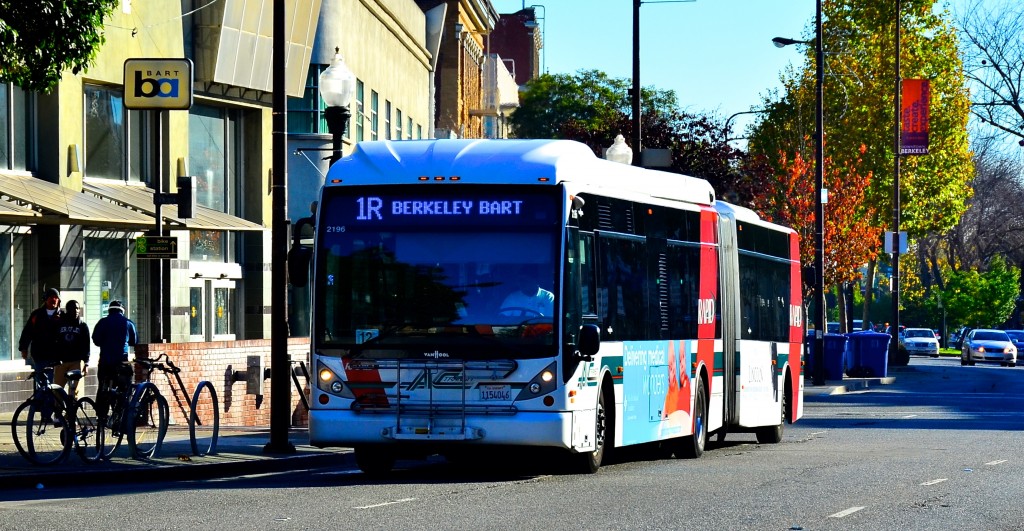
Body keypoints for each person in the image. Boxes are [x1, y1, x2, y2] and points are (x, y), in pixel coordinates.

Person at [92, 300, 138, 417]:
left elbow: (96, 340)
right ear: (122, 310)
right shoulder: (128, 323)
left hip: (105, 362)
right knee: (123, 389)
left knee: (103, 386)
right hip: (121, 363)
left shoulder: (103, 322)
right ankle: (119, 414)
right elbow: (134, 341)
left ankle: (101, 414)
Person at [18, 287, 63, 375]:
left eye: (56, 297)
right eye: (51, 297)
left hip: (57, 357)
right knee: (41, 381)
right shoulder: (37, 315)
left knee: (56, 384)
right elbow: (27, 332)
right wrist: (24, 348)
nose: (53, 300)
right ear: (46, 299)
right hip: (40, 355)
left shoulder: (63, 316)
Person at [54, 300, 91, 401]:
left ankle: (71, 414)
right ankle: (58, 414)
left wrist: (86, 363)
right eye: (73, 308)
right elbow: (54, 340)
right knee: (57, 390)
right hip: (61, 362)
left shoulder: (82, 326)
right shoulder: (60, 324)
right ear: (67, 310)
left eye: (78, 308)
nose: (76, 311)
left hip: (76, 362)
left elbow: (86, 345)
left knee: (74, 391)